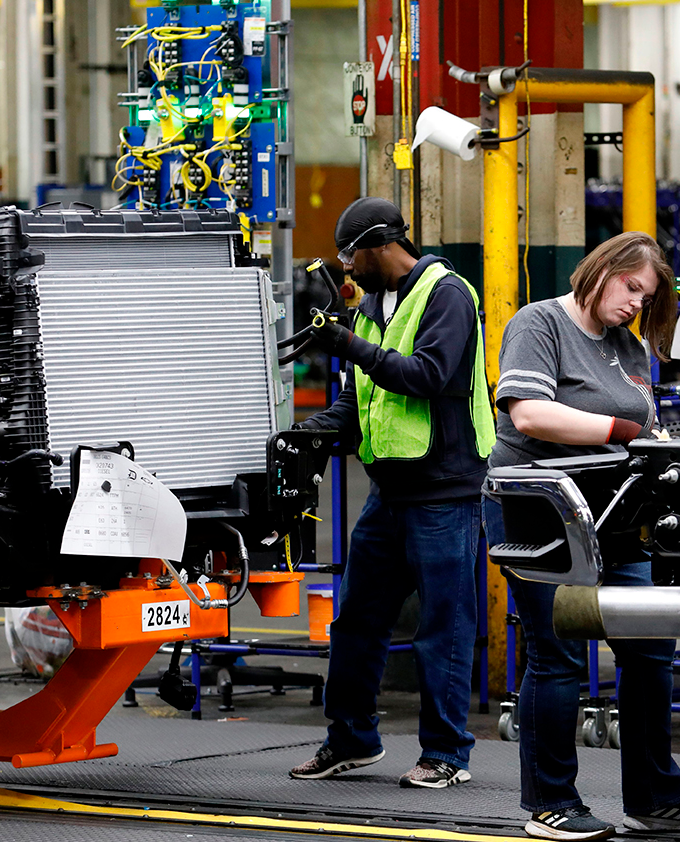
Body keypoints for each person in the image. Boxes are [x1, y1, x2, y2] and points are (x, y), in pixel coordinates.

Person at [490, 231, 680, 841]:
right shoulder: (538, 323)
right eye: (631, 288)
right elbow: (528, 413)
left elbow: (646, 429)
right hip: (542, 511)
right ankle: (552, 803)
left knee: (649, 647)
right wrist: (620, 429)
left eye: (645, 298)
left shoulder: (629, 346)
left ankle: (655, 798)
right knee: (560, 655)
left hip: (618, 513)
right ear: (603, 270)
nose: (634, 305)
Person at [288, 197, 494, 789]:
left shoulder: (448, 294)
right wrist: (302, 435)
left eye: (352, 256)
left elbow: (427, 375)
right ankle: (351, 738)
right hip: (391, 490)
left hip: (444, 492)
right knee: (355, 619)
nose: (346, 269)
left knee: (443, 626)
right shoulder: (375, 305)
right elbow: (359, 401)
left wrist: (350, 344)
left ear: (382, 244)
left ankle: (447, 753)